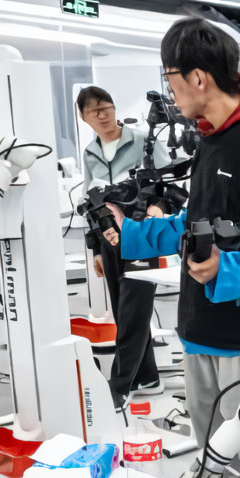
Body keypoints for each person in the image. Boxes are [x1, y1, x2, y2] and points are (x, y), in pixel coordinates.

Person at [100, 18, 240, 478]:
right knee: (215, 468)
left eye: (171, 79)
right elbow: (198, 221)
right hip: (198, 331)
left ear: (198, 78)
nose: (170, 92)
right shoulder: (209, 140)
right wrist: (134, 234)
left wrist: (226, 270)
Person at [77, 86, 161, 400]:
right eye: (94, 111)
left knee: (132, 311)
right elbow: (90, 201)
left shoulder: (144, 142)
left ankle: (119, 385)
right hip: (108, 239)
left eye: (106, 107)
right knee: (124, 311)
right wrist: (95, 249)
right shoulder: (90, 153)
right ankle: (147, 378)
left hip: (141, 236)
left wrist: (157, 209)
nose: (102, 115)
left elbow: (170, 184)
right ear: (84, 118)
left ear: (114, 107)